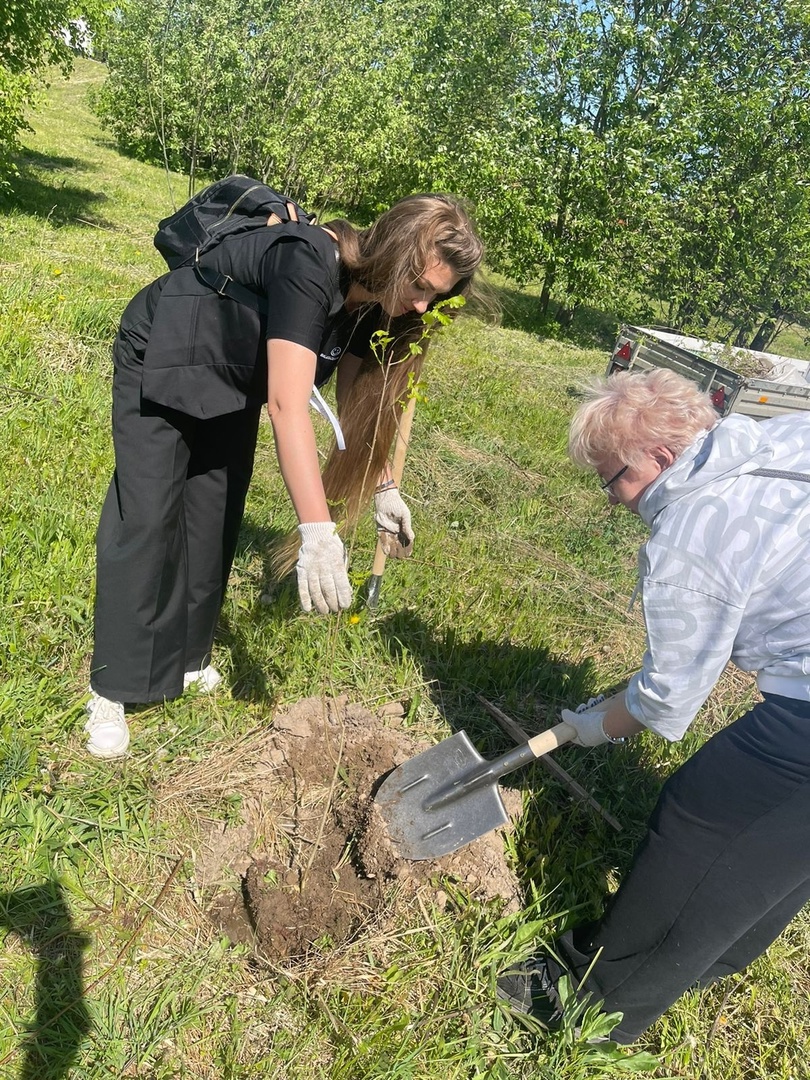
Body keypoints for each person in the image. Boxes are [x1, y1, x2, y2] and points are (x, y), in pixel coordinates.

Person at [85, 193, 485, 759]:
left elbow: (357, 398)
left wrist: (385, 485)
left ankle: (186, 658)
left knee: (214, 516)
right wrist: (317, 531)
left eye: (435, 297)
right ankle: (111, 686)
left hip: (231, 377)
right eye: (420, 286)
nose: (422, 306)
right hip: (168, 349)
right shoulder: (308, 262)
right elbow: (287, 406)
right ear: (394, 252)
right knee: (147, 515)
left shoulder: (374, 304)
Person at [496, 368, 810, 1043]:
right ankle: (710, 954)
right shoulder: (783, 438)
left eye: (615, 479)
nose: (612, 500)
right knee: (785, 833)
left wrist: (592, 727)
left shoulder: (691, 535)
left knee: (705, 819)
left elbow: (667, 704)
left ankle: (587, 1006)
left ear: (664, 458)